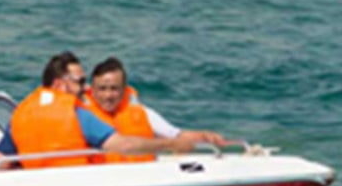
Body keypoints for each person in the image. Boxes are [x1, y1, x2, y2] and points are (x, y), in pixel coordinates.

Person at [0, 52, 222, 170]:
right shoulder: (77, 114)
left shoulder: (22, 114)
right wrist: (169, 146)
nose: (84, 88)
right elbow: (123, 145)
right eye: (80, 82)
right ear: (61, 84)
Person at [79, 57, 236, 162]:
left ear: (124, 89)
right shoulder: (83, 116)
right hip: (103, 179)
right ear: (92, 89)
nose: (108, 95)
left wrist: (204, 136)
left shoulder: (141, 112)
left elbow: (176, 135)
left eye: (114, 89)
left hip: (144, 176)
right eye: (102, 89)